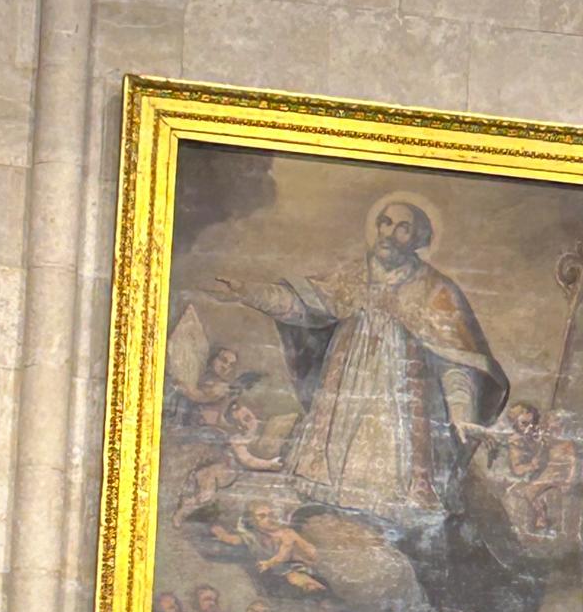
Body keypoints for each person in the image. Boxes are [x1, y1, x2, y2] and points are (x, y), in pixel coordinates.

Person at [212, 197, 508, 526]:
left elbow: (457, 361)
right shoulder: (351, 277)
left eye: (402, 227)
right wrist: (247, 292)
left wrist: (461, 415)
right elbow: (299, 304)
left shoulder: (436, 290)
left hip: (399, 409)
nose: (390, 233)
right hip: (343, 399)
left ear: (417, 238)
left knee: (388, 513)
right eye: (385, 222)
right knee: (328, 507)